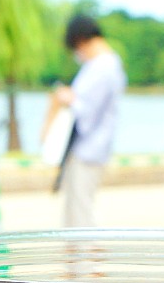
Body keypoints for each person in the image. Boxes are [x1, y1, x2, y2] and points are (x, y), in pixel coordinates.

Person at [47, 15, 126, 228]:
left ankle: (86, 251)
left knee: (81, 213)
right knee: (75, 211)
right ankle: (77, 250)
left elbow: (88, 111)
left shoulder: (104, 66)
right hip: (85, 148)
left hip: (89, 149)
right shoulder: (101, 64)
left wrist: (68, 98)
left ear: (81, 40)